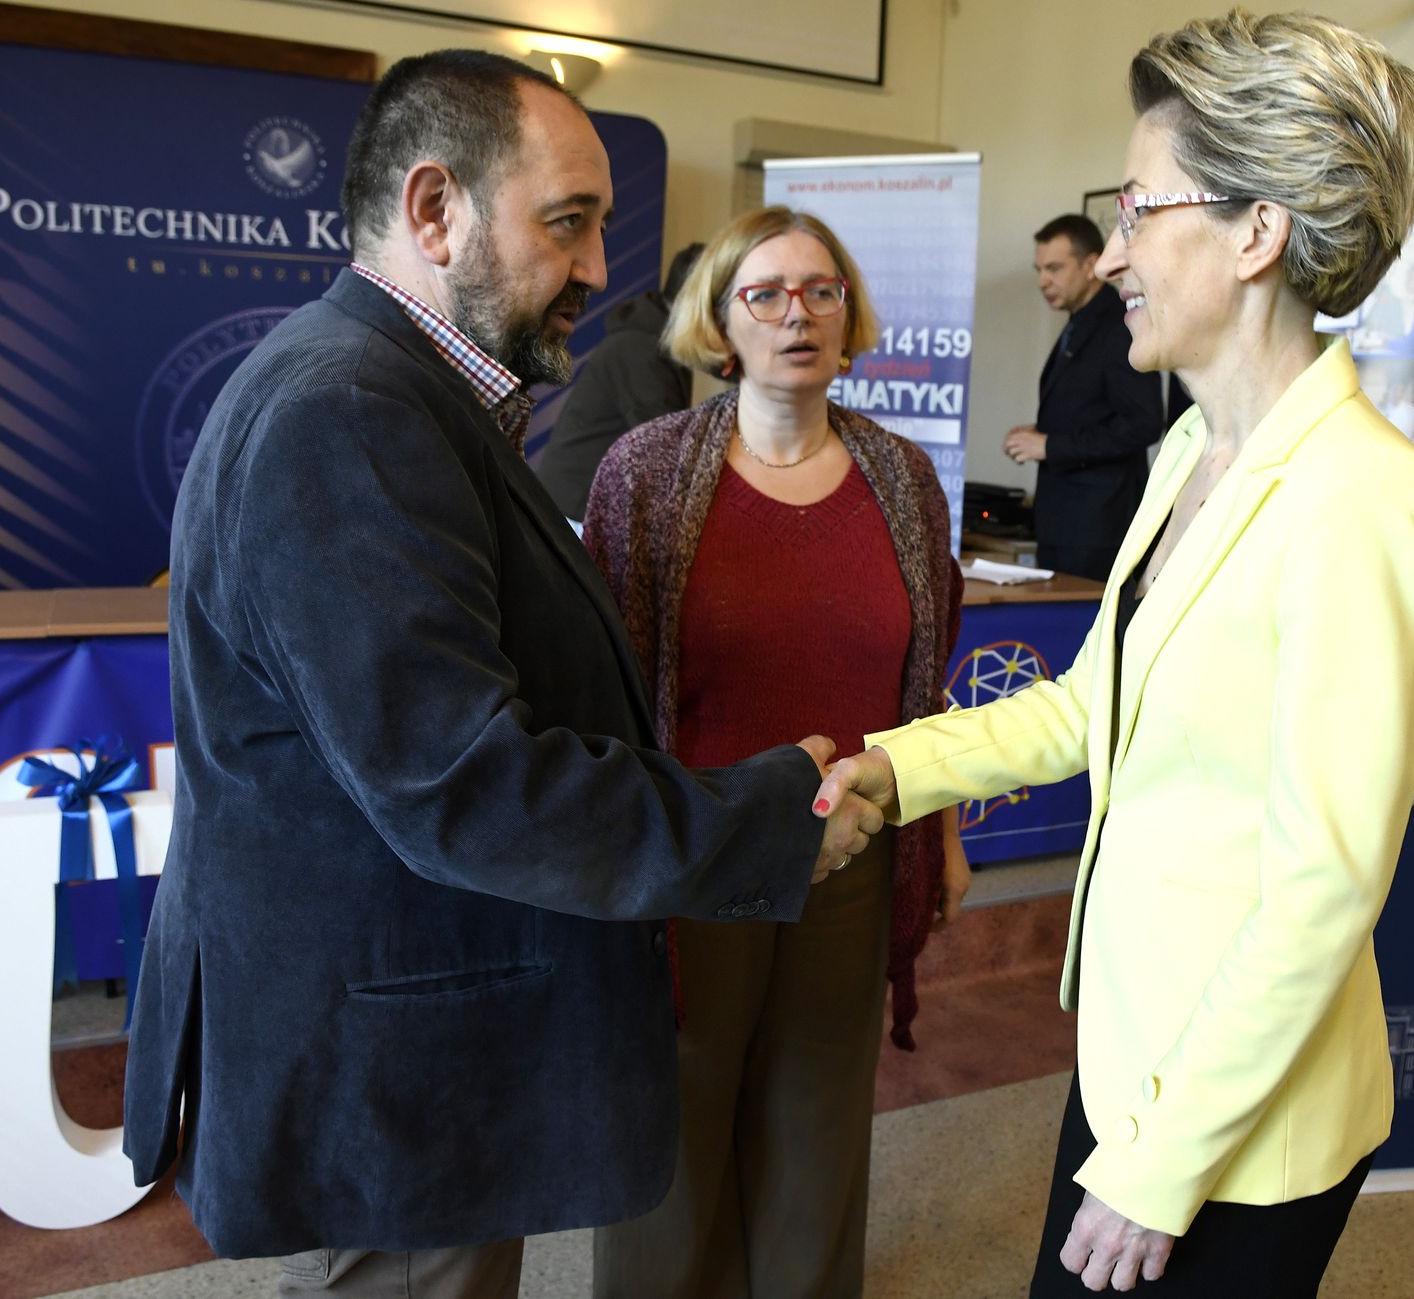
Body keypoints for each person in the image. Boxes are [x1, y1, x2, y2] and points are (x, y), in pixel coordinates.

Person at [122, 52, 881, 1296]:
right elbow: (463, 782)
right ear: (435, 211)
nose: (595, 268)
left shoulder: (392, 390)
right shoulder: (350, 411)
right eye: (567, 223)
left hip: (417, 1018)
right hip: (398, 1043)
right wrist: (759, 821)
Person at [818, 13, 1414, 1295]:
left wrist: (1157, 1162)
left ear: (1254, 232)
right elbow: (1087, 705)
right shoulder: (1189, 452)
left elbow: (1322, 888)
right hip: (1139, 1052)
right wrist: (896, 768)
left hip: (1234, 1117)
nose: (1109, 254)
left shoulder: (1362, 502)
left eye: (1135, 209)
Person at [582, 205, 968, 1299]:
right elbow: (608, 694)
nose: (797, 313)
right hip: (695, 858)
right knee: (679, 1118)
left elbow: (923, 683)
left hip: (852, 851)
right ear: (719, 321)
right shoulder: (647, 471)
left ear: (849, 316)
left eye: (821, 291)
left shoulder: (900, 478)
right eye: (765, 292)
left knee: (819, 1119)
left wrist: (938, 834)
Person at [1004, 213, 1165, 581]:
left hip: (1098, 532)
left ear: (1091, 266)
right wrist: (1040, 434)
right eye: (1040, 270)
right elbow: (1090, 410)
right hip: (1068, 526)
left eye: (1055, 268)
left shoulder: (1120, 325)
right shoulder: (1081, 322)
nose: (1043, 281)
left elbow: (1143, 423)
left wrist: (1050, 445)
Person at [535, 241, 703, 520]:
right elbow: (671, 450)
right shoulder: (641, 348)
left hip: (583, 506)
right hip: (576, 510)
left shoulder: (653, 337)